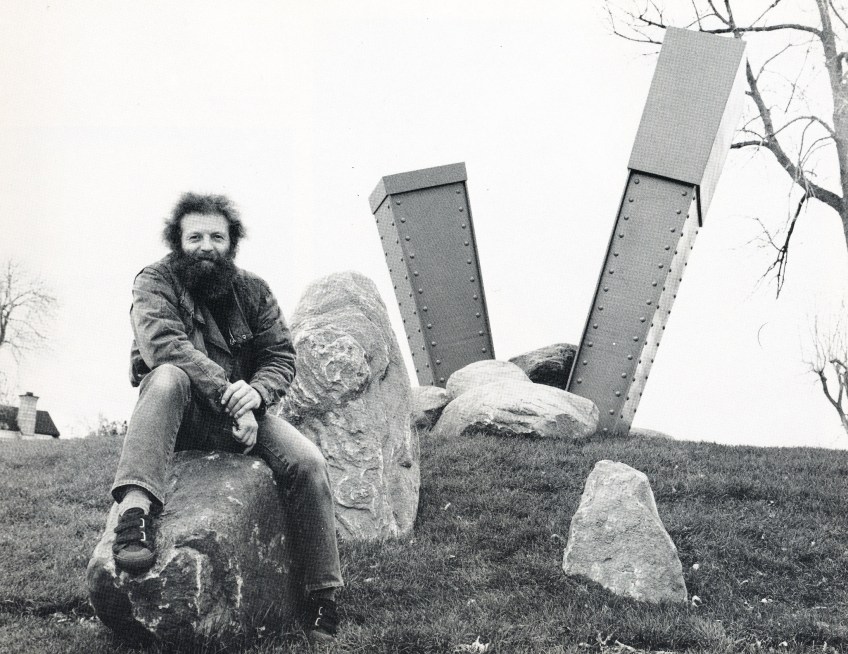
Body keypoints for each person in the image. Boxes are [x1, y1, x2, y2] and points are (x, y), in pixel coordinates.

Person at [109, 192, 342, 643]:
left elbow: (279, 356)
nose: (205, 246)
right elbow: (164, 347)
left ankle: (322, 598)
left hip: (243, 413)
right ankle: (135, 514)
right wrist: (232, 397)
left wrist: (255, 395)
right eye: (194, 236)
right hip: (183, 412)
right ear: (178, 241)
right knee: (166, 377)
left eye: (217, 236)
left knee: (308, 463)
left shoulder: (253, 290)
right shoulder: (153, 282)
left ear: (231, 243)